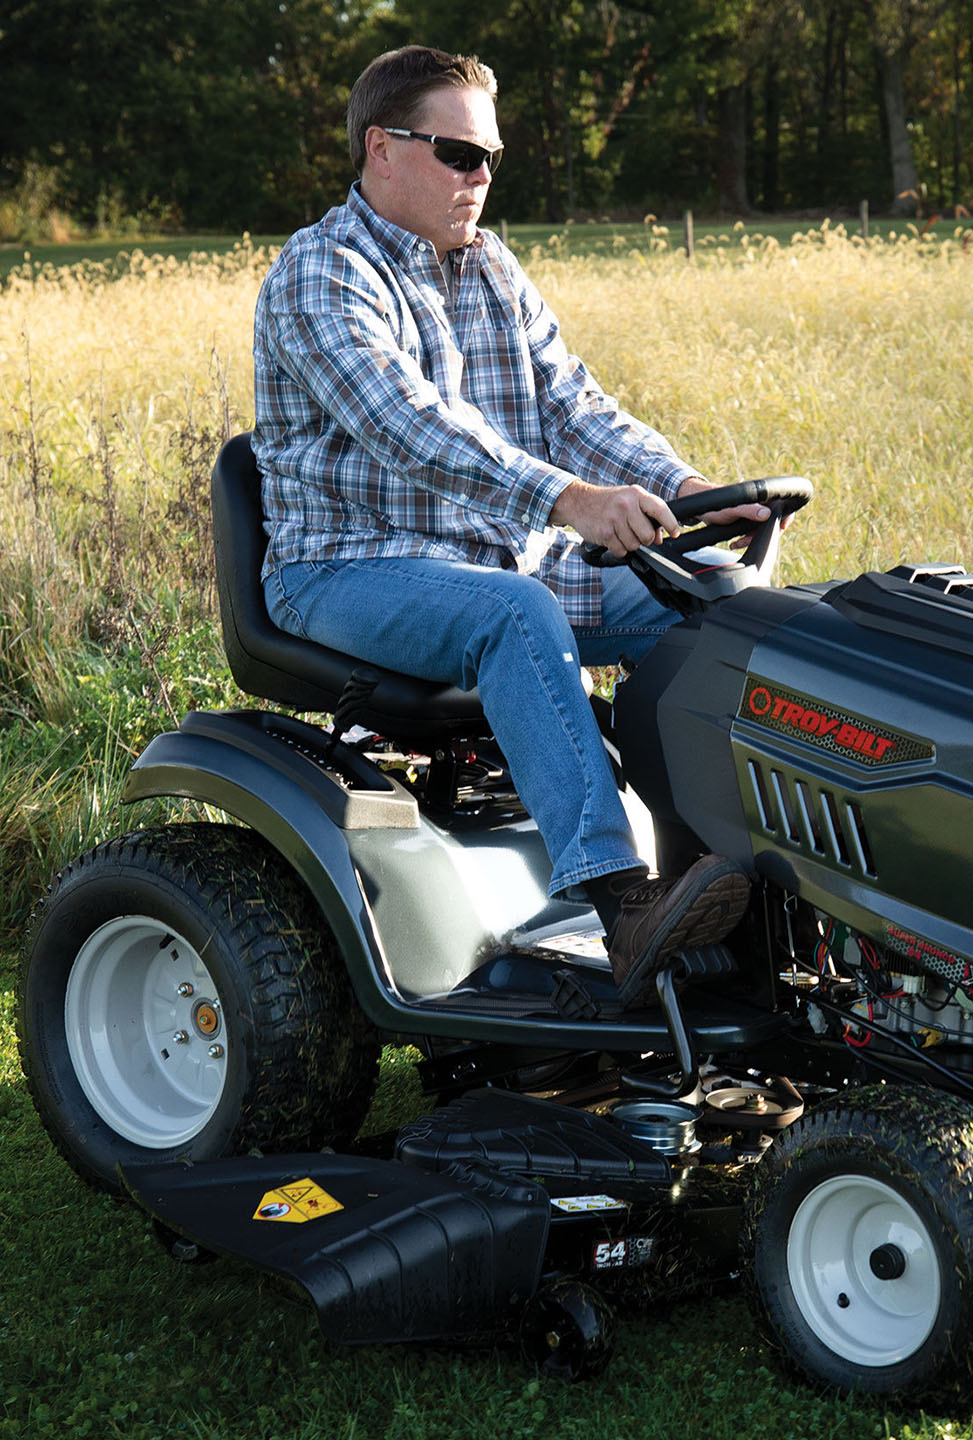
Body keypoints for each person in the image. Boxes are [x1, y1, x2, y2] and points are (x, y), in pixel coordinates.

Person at [251, 45, 761, 1005]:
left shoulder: (489, 266)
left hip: (492, 556)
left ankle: (721, 884)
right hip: (348, 568)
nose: (481, 177)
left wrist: (692, 487)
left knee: (718, 613)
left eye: (489, 157)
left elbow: (577, 407)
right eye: (458, 153)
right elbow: (409, 428)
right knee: (515, 615)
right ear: (383, 148)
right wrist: (572, 502)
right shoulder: (321, 275)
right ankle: (624, 905)